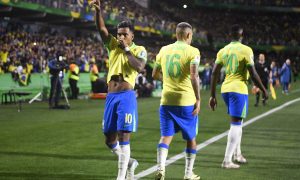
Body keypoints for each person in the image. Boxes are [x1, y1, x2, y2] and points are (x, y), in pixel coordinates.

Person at [91, 0, 147, 179]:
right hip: (111, 96)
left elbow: (139, 67)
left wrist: (127, 50)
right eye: (119, 34)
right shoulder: (113, 46)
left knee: (124, 136)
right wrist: (98, 12)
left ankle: (121, 177)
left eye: (124, 34)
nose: (120, 37)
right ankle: (129, 162)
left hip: (126, 96)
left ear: (132, 36)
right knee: (109, 139)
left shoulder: (139, 50)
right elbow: (102, 30)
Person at [209, 24, 268, 169]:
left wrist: (212, 96)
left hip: (225, 89)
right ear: (242, 36)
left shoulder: (223, 50)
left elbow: (214, 73)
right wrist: (264, 90)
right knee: (236, 124)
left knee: (238, 122)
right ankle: (227, 160)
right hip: (238, 89)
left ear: (230, 36)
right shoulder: (246, 50)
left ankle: (238, 154)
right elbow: (253, 73)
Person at [152, 22, 201, 180]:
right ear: (188, 35)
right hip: (185, 101)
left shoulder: (164, 50)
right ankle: (188, 174)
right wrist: (198, 99)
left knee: (165, 137)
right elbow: (194, 76)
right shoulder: (193, 51)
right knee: (191, 138)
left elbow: (154, 74)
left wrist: (166, 81)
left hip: (166, 100)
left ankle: (160, 169)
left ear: (176, 34)